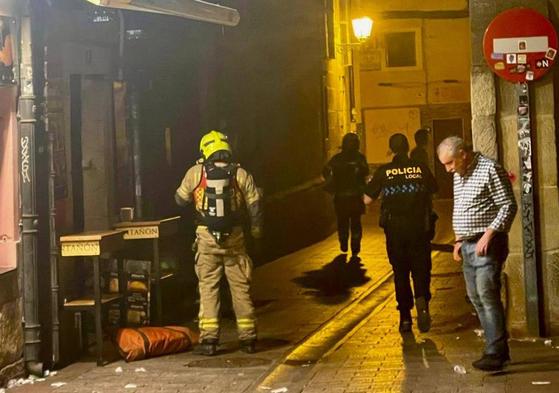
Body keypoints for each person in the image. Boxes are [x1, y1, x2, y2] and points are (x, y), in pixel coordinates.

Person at [175, 130, 263, 356]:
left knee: (208, 287)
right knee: (240, 288)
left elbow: (179, 199)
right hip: (234, 238)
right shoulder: (240, 173)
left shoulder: (196, 172)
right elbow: (254, 204)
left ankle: (209, 339)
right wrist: (255, 229)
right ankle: (248, 338)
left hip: (206, 238)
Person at [437, 136, 517, 371]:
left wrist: (488, 234)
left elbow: (507, 205)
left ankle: (495, 351)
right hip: (468, 244)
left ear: (463, 154)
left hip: (487, 244)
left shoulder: (490, 169)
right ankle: (497, 347)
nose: (448, 170)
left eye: (450, 163)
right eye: (444, 165)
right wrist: (458, 240)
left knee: (487, 293)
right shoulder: (460, 175)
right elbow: (461, 206)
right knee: (475, 298)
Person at [364, 133, 437, 333]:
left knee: (400, 272)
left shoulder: (384, 171)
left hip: (395, 230)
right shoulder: (421, 169)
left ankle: (405, 317)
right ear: (407, 147)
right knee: (421, 268)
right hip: (419, 229)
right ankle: (422, 302)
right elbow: (434, 189)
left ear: (391, 149)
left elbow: (367, 200)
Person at [323, 133, 369, 258]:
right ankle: (355, 244)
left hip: (341, 196)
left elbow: (326, 170)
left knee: (342, 221)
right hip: (355, 196)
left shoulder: (337, 159)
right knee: (356, 221)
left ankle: (343, 240)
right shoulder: (360, 158)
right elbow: (366, 172)